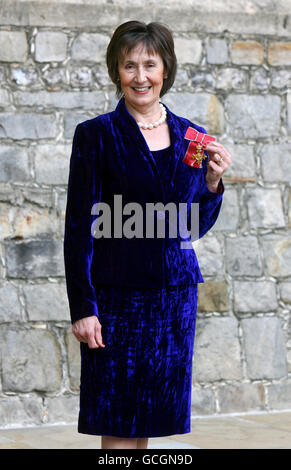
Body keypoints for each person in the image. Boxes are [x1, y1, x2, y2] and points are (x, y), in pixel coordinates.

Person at [63, 20, 231, 450]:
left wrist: (211, 184)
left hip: (173, 301)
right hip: (116, 302)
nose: (140, 76)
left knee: (150, 426)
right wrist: (84, 308)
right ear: (117, 71)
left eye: (149, 65)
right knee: (118, 425)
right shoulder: (96, 135)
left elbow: (190, 227)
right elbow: (79, 229)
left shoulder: (190, 137)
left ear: (165, 70)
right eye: (129, 66)